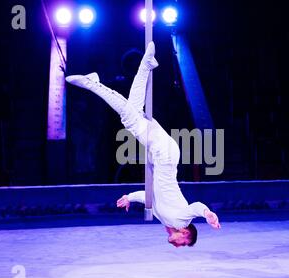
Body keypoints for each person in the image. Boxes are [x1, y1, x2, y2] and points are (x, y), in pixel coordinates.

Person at [66, 42, 221, 248]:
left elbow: (148, 197)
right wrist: (208, 214)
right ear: (185, 233)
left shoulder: (165, 218)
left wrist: (129, 197)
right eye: (183, 243)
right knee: (129, 118)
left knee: (133, 109)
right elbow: (196, 207)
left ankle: (142, 66)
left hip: (164, 154)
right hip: (164, 155)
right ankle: (94, 82)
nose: (178, 245)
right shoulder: (181, 220)